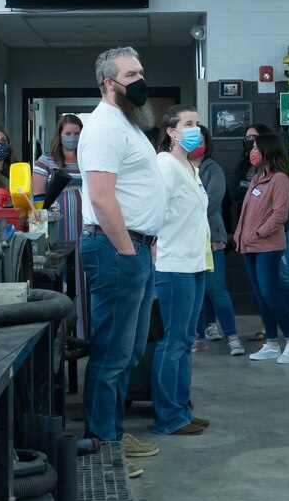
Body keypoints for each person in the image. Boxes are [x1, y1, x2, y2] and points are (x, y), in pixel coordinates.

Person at [77, 47, 169, 473]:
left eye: (142, 70)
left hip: (135, 248)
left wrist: (144, 244)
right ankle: (101, 444)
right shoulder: (103, 127)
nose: (141, 79)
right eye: (132, 73)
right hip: (116, 249)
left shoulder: (126, 124)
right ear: (109, 83)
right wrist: (128, 248)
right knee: (112, 351)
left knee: (129, 351)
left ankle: (111, 430)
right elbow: (99, 195)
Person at [150, 106, 212, 437]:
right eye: (188, 124)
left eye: (197, 123)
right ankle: (168, 417)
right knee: (172, 342)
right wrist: (156, 252)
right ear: (172, 132)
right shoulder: (165, 165)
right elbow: (155, 211)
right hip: (174, 264)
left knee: (186, 339)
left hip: (196, 262)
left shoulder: (190, 166)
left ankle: (183, 409)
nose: (196, 129)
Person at [231, 129, 289, 364]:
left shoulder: (280, 179)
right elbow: (247, 212)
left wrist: (259, 233)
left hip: (268, 246)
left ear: (267, 151)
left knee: (271, 293)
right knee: (260, 295)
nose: (252, 153)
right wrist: (242, 236)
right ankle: (271, 342)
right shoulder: (257, 178)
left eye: (256, 149)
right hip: (249, 245)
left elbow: (279, 214)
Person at [191, 124, 245, 357]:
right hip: (186, 242)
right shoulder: (177, 167)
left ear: (207, 144)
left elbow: (210, 202)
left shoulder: (213, 169)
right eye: (192, 141)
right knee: (196, 295)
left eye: (200, 142)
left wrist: (183, 210)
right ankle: (198, 336)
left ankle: (232, 337)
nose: (196, 146)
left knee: (217, 290)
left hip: (211, 239)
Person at [31, 113, 85, 255]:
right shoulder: (46, 160)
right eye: (68, 133)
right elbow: (38, 198)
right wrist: (41, 226)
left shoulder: (86, 158)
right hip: (56, 220)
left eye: (76, 133)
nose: (72, 137)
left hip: (85, 221)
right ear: (60, 134)